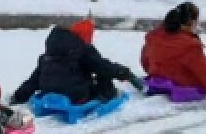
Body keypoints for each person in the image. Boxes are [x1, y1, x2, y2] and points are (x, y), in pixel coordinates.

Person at [11, 19, 147, 106]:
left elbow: (34, 80)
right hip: (76, 96)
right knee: (102, 72)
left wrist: (19, 96)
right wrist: (125, 73)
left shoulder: (48, 55)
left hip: (47, 92)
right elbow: (104, 67)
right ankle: (108, 94)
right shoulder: (83, 50)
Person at [141, 2, 206, 94]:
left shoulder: (153, 36)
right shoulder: (190, 46)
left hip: (158, 75)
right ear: (191, 22)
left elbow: (145, 63)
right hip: (183, 82)